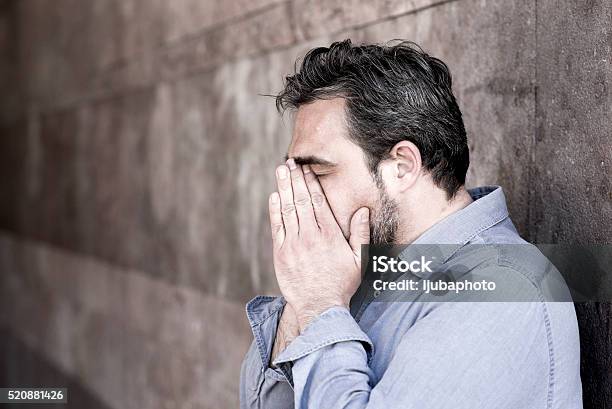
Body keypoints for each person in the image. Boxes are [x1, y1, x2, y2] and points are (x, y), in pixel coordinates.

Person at [239, 39, 582, 409]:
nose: (302, 196)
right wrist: (302, 301)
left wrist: (320, 307)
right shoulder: (358, 271)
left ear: (401, 167)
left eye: (318, 172)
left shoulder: (506, 292)